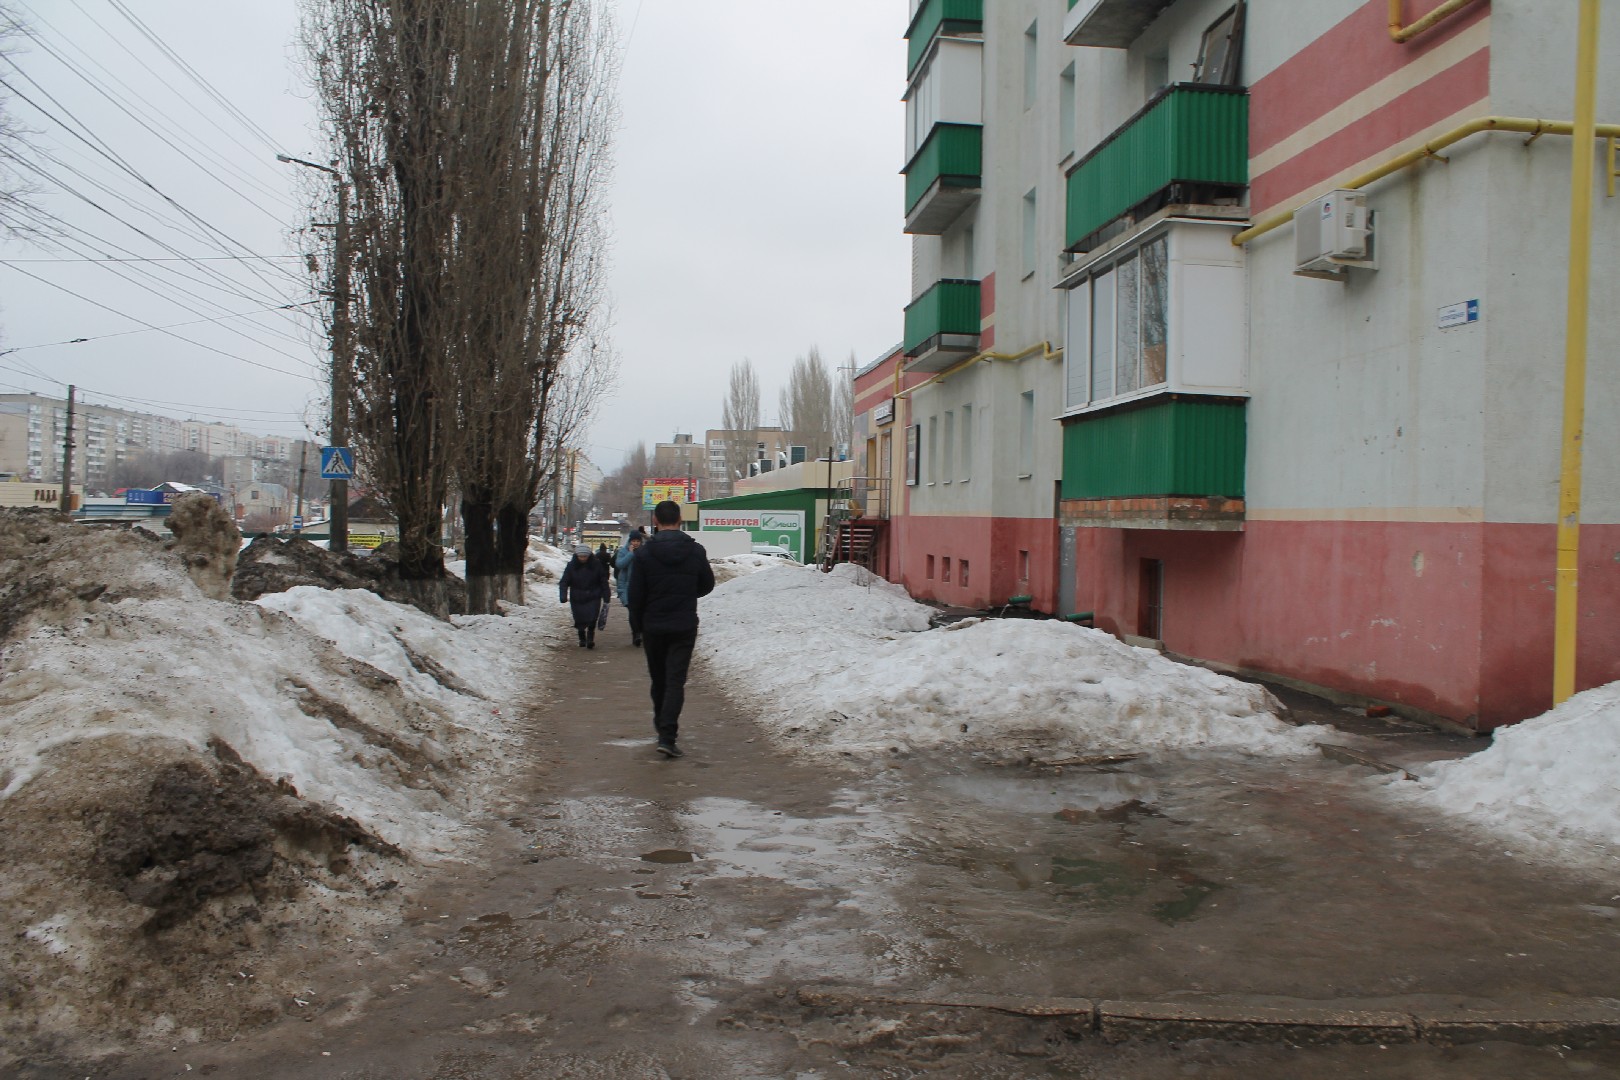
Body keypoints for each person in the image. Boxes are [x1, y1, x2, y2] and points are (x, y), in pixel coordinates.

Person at [627, 500, 714, 758]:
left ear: (655, 521)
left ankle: (661, 727)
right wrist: (687, 594)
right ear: (680, 519)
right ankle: (667, 735)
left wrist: (638, 625)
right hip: (683, 624)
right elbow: (707, 584)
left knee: (659, 679)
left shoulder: (643, 554)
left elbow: (635, 596)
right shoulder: (695, 551)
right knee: (676, 680)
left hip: (653, 625)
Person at [558, 544, 609, 649]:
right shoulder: (571, 566)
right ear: (577, 556)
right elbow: (564, 581)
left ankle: (590, 638)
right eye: (580, 556)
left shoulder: (596, 565)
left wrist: (606, 595)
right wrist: (563, 595)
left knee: (592, 618)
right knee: (579, 618)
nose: (582, 559)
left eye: (584, 556)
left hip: (593, 595)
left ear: (589, 556)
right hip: (577, 596)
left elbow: (603, 581)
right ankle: (582, 637)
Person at [614, 533, 644, 647]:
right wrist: (631, 554)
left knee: (641, 612)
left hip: (642, 586)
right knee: (632, 611)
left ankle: (640, 632)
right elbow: (619, 564)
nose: (635, 543)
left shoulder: (645, 551)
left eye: (638, 541)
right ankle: (636, 634)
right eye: (633, 541)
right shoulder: (623, 551)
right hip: (627, 586)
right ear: (630, 541)